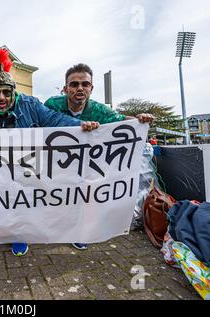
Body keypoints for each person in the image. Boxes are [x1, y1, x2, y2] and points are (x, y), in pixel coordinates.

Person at [0, 50, 99, 257]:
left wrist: (81, 124)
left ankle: (73, 230)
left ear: (14, 92)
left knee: (62, 191)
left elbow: (54, 119)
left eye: (6, 92)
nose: (1, 98)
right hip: (3, 168)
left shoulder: (30, 104)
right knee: (11, 196)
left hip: (36, 164)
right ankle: (19, 233)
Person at [44, 63, 154, 250]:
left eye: (85, 84)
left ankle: (82, 231)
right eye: (74, 84)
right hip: (58, 159)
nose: (80, 88)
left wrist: (140, 120)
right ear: (65, 89)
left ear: (91, 88)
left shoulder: (99, 110)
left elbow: (121, 121)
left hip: (86, 161)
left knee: (87, 192)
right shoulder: (52, 104)